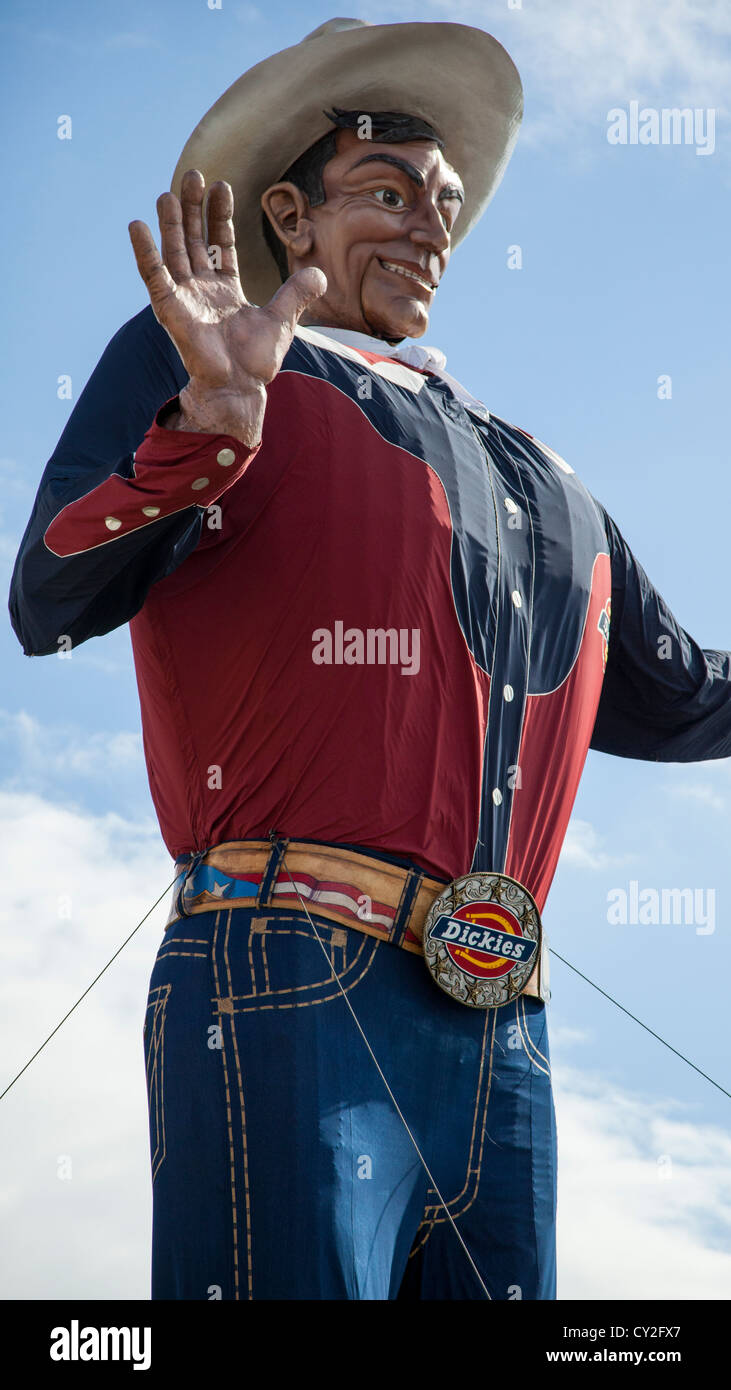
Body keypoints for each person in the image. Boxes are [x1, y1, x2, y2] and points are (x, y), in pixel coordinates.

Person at [8, 18, 731, 1301]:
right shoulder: (212, 360)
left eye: (443, 204)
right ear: (285, 210)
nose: (427, 228)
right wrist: (200, 437)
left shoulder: (548, 482)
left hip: (506, 1030)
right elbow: (51, 595)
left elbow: (684, 694)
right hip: (288, 973)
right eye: (386, 192)